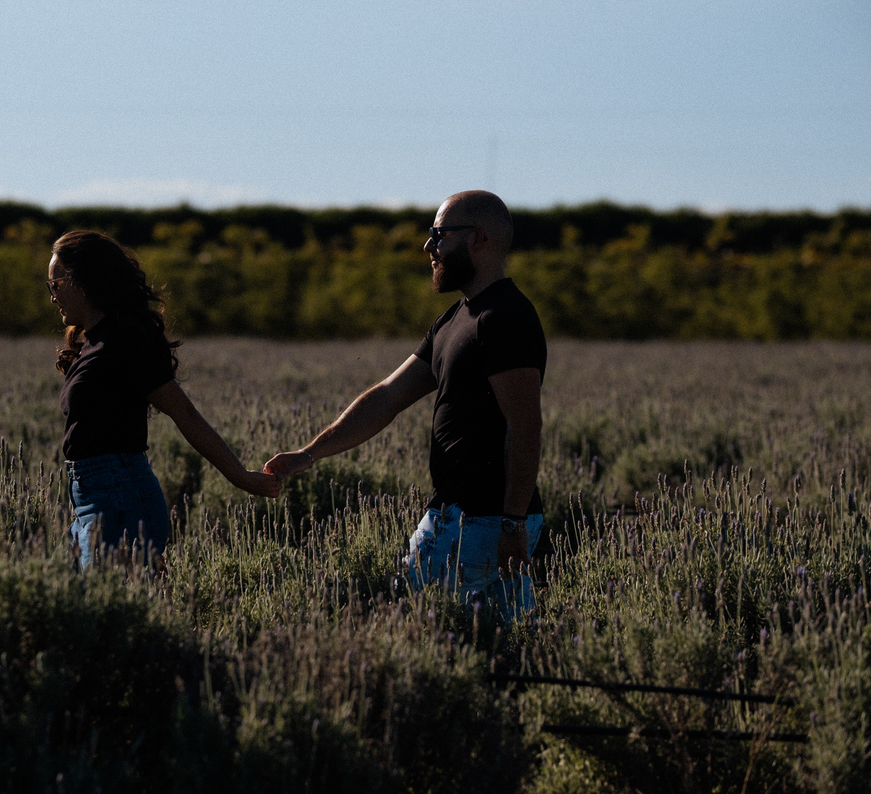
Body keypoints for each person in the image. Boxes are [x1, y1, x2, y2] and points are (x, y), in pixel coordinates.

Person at [265, 191, 546, 620]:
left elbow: (525, 428)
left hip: (481, 521)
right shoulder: (455, 319)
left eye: (438, 234)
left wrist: (511, 525)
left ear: (478, 238)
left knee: (412, 624)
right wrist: (310, 453)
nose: (428, 247)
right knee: (495, 648)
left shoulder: (505, 317)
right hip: (468, 516)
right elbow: (388, 397)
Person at [49, 230, 280, 567]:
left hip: (119, 496)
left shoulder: (122, 344)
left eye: (55, 285)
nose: (52, 296)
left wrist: (240, 476)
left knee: (105, 607)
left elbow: (184, 412)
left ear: (81, 280)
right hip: (93, 497)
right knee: (67, 604)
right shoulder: (93, 343)